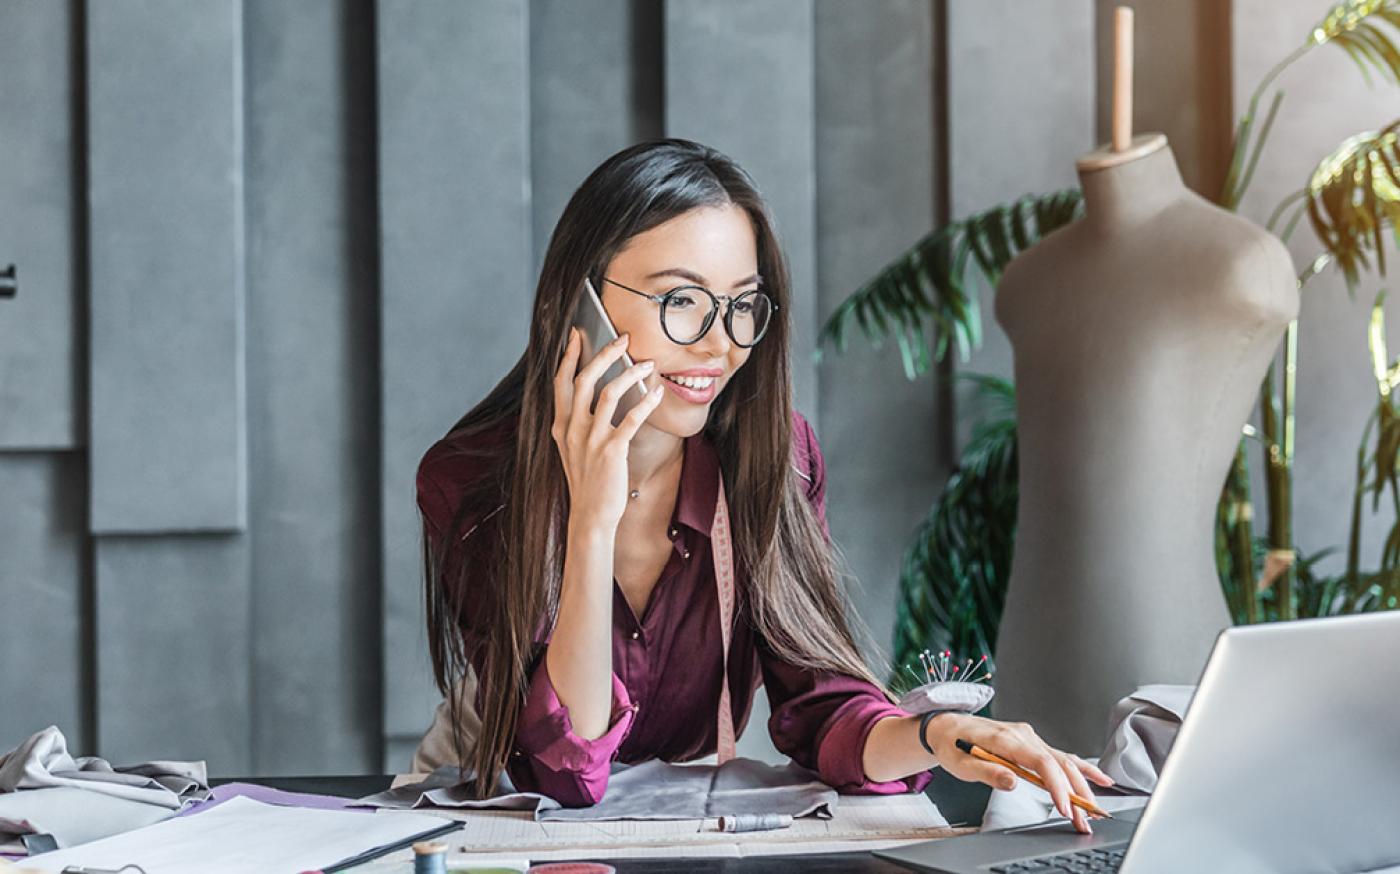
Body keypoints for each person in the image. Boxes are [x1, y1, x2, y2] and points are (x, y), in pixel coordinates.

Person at [416, 139, 1111, 832]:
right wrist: (593, 516)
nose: (720, 344)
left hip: (675, 829)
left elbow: (824, 707)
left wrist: (941, 735)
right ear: (576, 308)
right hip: (502, 827)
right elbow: (566, 771)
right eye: (680, 300)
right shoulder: (471, 481)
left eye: (742, 305)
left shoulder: (770, 456)